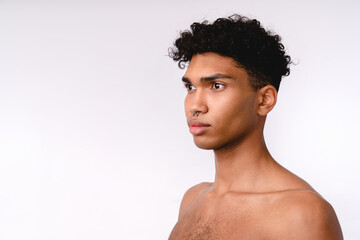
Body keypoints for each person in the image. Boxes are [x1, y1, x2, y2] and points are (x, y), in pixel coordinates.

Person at [168, 15, 343, 240]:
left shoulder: (303, 213)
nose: (195, 106)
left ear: (264, 101)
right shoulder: (192, 200)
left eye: (216, 86)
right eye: (190, 87)